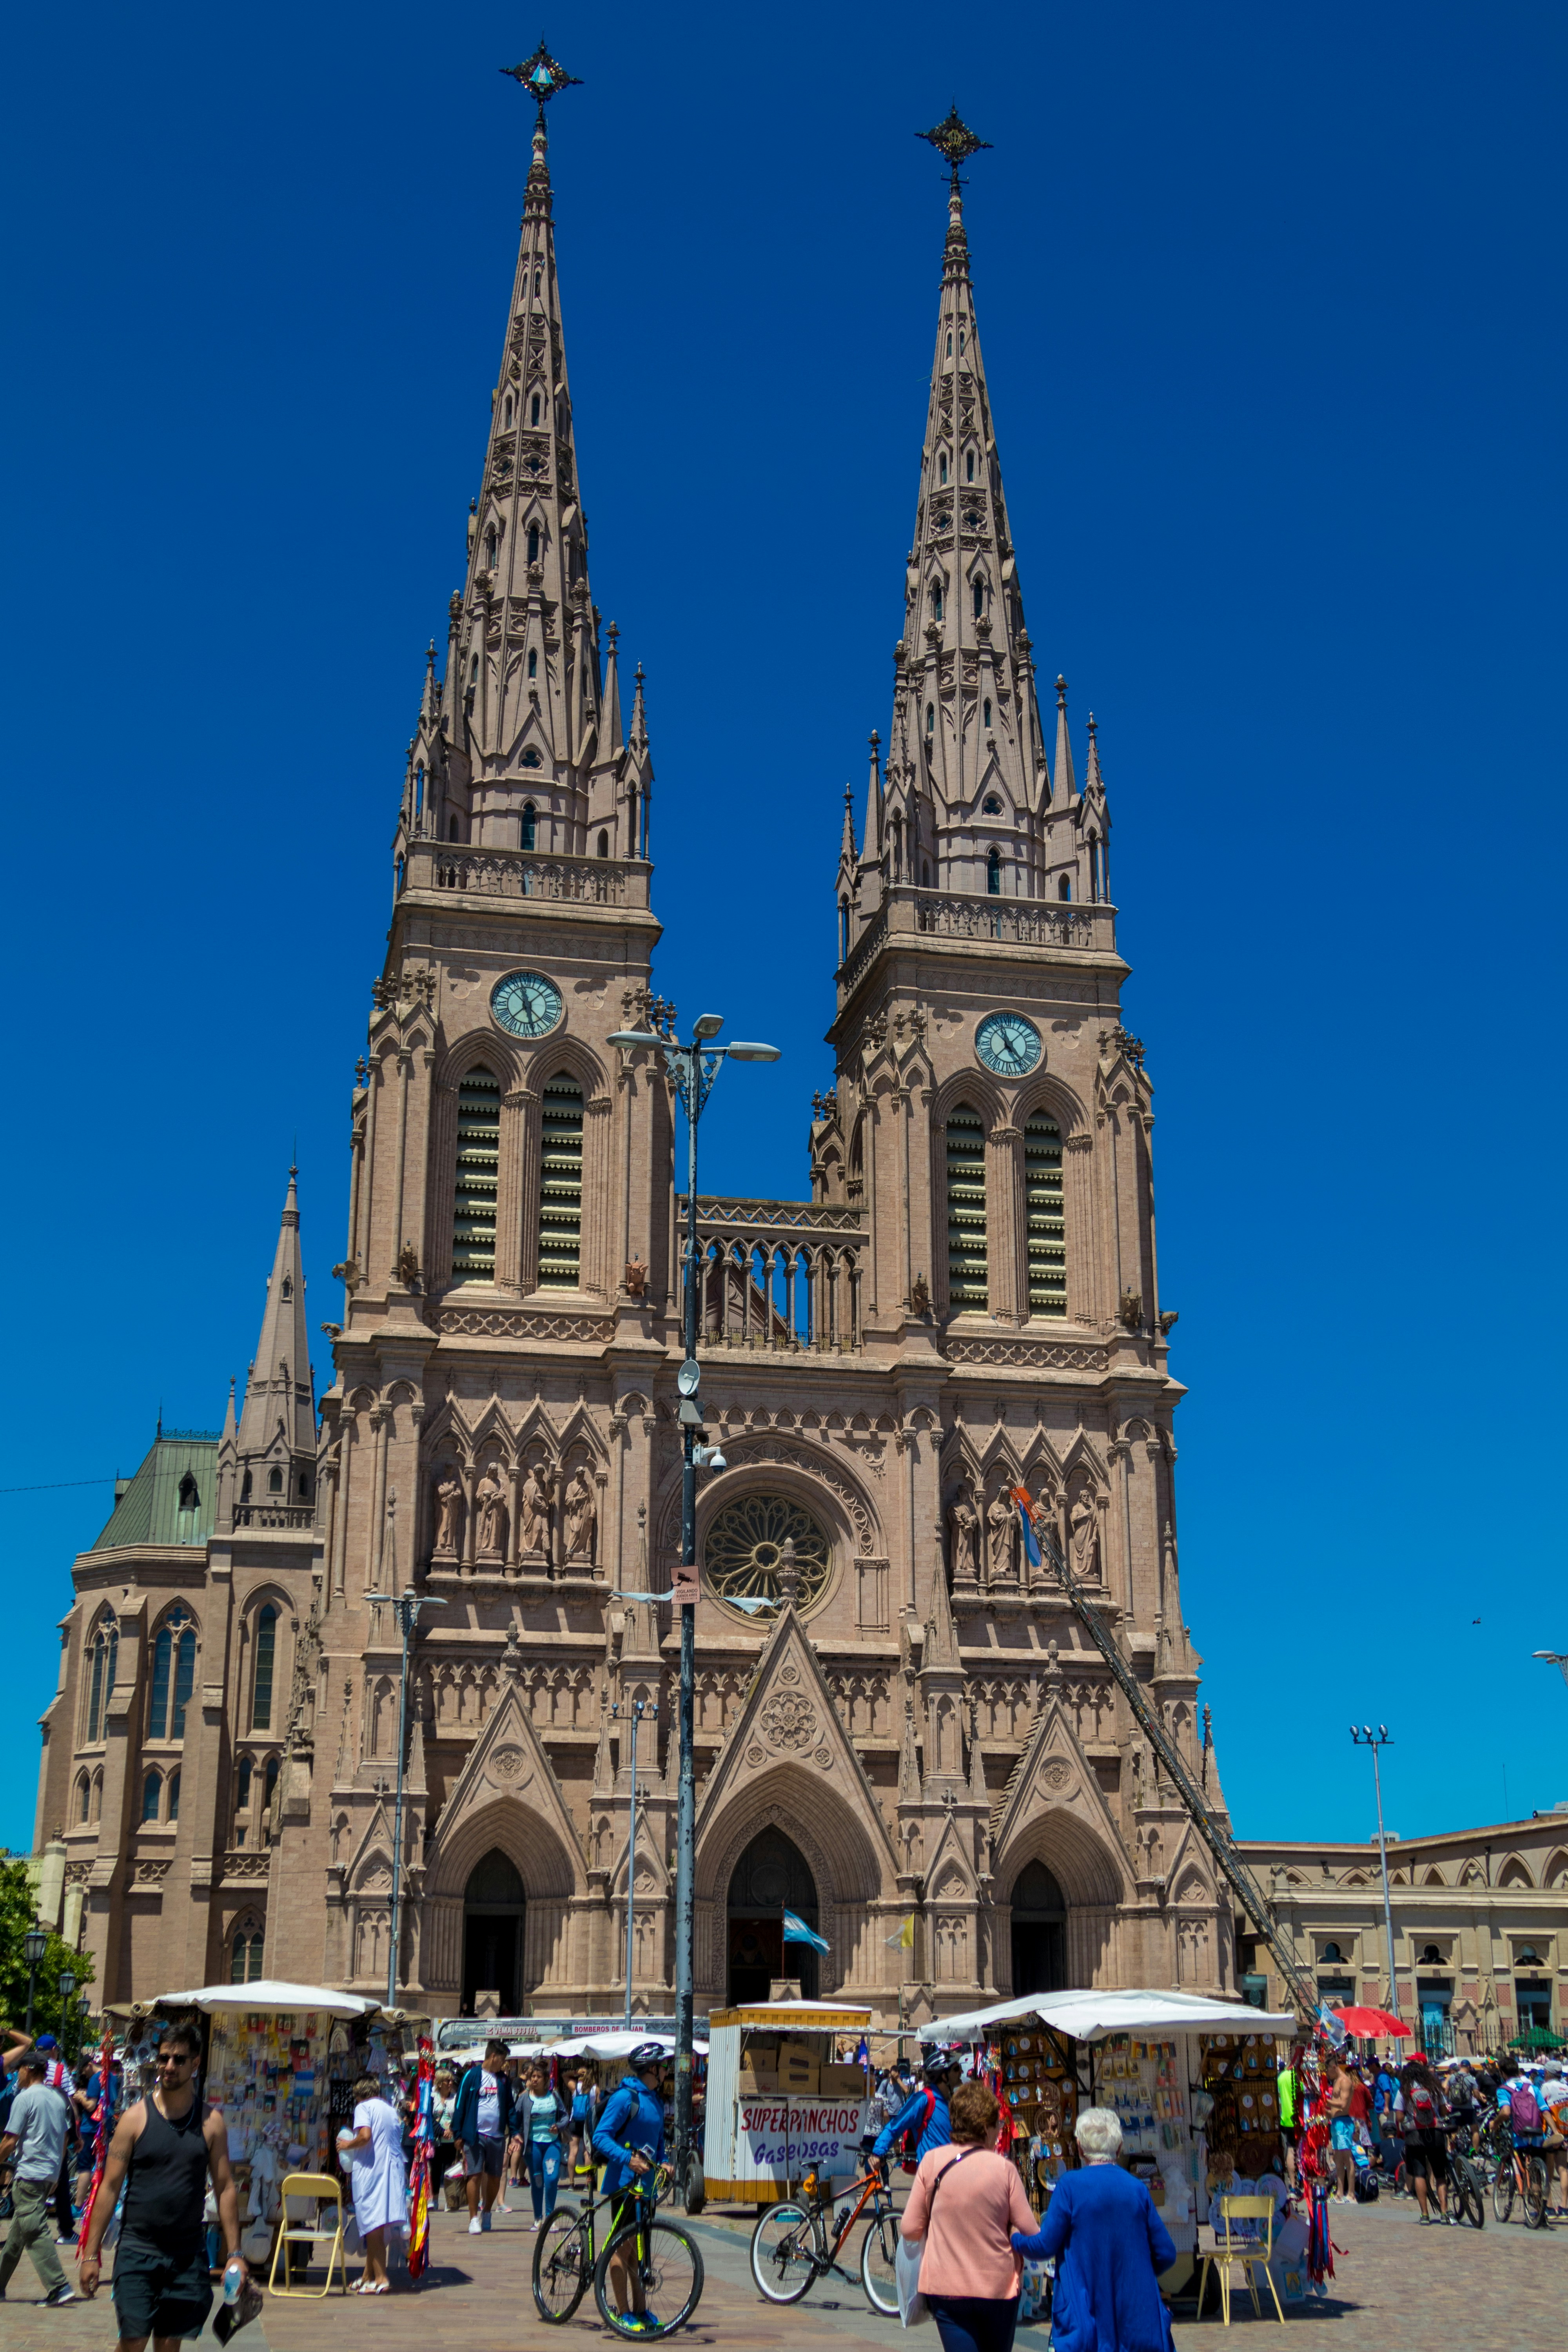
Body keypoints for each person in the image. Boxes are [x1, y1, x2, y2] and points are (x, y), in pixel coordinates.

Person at [78, 2016, 247, 2345]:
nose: (169, 2066)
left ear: (195, 2064)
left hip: (187, 2254)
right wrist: (90, 2254)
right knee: (133, 2340)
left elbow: (226, 2187)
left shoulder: (212, 2124)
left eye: (179, 2059)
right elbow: (110, 2187)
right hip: (138, 2251)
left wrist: (236, 2253)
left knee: (170, 2345)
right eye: (164, 2058)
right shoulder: (134, 2120)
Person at [1012, 2107, 1175, 2352]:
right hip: (1136, 2319)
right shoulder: (1137, 2189)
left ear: (1079, 2148)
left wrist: (1015, 2238)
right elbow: (1166, 2253)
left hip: (1083, 2316)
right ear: (1119, 2148)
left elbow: (1045, 2245)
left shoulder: (1070, 2186)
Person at [898, 2078, 1037, 2352]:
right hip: (999, 2286)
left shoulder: (933, 2161)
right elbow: (1032, 2233)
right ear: (985, 2127)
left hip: (946, 2287)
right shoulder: (1004, 2169)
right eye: (998, 2125)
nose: (999, 2131)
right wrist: (1012, 2233)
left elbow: (910, 2229)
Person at [591, 2043, 668, 2332]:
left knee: (640, 2250)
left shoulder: (656, 2101)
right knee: (623, 2250)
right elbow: (601, 2137)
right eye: (663, 2066)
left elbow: (659, 2142)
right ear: (652, 2069)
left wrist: (666, 2162)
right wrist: (629, 2159)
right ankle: (623, 2313)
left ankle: (641, 2310)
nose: (666, 2071)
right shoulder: (626, 2098)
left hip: (647, 2188)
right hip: (625, 2185)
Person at [0, 2053, 76, 2305]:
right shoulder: (56, 2098)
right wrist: (56, 2171)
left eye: (19, 2069)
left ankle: (58, 2286)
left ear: (29, 2070)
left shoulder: (25, 2099)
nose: (16, 2074)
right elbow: (65, 2137)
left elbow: (10, 2141)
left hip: (30, 2175)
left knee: (35, 2231)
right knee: (16, 2238)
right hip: (47, 2175)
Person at [336, 2073, 407, 2293]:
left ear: (359, 2094)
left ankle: (381, 2278)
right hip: (391, 2171)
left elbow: (365, 2136)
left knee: (373, 2228)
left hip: (372, 2173)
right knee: (377, 2225)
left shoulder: (363, 2108)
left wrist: (348, 2145)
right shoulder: (389, 2109)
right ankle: (369, 2276)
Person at [452, 2039, 516, 2236]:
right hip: (475, 2135)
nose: (503, 2064)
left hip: (497, 2136)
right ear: (493, 2057)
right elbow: (460, 2105)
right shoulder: (472, 2076)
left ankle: (487, 2211)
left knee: (496, 2177)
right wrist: (458, 2133)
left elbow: (510, 2108)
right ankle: (473, 2219)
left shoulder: (503, 2080)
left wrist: (515, 2133)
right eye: (502, 2059)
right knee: (475, 2174)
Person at [873, 2058, 956, 2169]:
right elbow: (895, 2125)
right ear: (945, 2077)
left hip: (953, 2171)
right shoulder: (924, 2099)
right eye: (956, 2069)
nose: (962, 2072)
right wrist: (878, 2152)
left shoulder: (952, 2101)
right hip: (932, 2173)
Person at [1399, 2058, 1449, 2223]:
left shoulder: (1404, 2090)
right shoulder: (1435, 2088)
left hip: (1415, 2136)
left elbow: (1399, 2116)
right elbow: (1443, 2111)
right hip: (1435, 2133)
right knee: (1440, 2175)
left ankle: (1425, 2214)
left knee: (1420, 2174)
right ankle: (1444, 2212)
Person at [519, 2063, 566, 2231]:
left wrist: (559, 2126)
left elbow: (566, 2116)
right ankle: (538, 2218)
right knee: (537, 2182)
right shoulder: (525, 2098)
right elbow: (516, 2118)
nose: (535, 2080)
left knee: (552, 2179)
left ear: (546, 2080)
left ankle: (550, 2217)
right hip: (533, 2146)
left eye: (539, 2077)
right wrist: (517, 2137)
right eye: (533, 2077)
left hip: (552, 2143)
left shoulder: (554, 2096)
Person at [1325, 2059, 1359, 2202]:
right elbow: (1335, 2107)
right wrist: (1325, 2110)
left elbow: (1343, 2104)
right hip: (1336, 2122)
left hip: (1344, 2123)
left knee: (1347, 2157)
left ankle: (1351, 2194)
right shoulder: (1336, 2081)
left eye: (1327, 2070)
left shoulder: (1345, 2081)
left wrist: (1326, 2101)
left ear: (1334, 2067)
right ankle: (1340, 2193)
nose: (1327, 2074)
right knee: (1338, 2158)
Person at [429, 2067, 459, 2203]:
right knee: (435, 2171)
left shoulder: (456, 2098)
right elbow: (429, 2117)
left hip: (451, 2140)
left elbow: (460, 2116)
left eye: (452, 2081)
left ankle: (450, 2200)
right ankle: (434, 2198)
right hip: (436, 2140)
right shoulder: (432, 2098)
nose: (451, 2083)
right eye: (448, 2081)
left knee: (450, 2170)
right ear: (440, 2083)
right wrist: (441, 2131)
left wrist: (452, 2130)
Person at [566, 2070, 597, 2185]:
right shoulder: (595, 2089)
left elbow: (563, 2076)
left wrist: (575, 2073)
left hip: (575, 2121)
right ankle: (588, 2183)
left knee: (573, 2152)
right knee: (587, 2152)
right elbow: (598, 2106)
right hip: (588, 2122)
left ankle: (571, 2182)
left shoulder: (574, 2087)